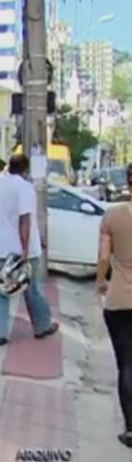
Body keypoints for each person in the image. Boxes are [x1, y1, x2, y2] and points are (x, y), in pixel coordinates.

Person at [0, 154, 59, 346]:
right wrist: (25, 249)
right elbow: (25, 220)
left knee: (1, 290)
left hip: (2, 247)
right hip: (22, 248)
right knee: (33, 288)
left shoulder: (0, 186)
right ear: (26, 170)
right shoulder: (25, 188)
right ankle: (42, 326)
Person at [95, 164, 132, 447]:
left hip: (120, 299)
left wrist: (100, 282)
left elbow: (104, 257)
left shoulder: (114, 215)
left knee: (126, 364)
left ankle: (131, 428)